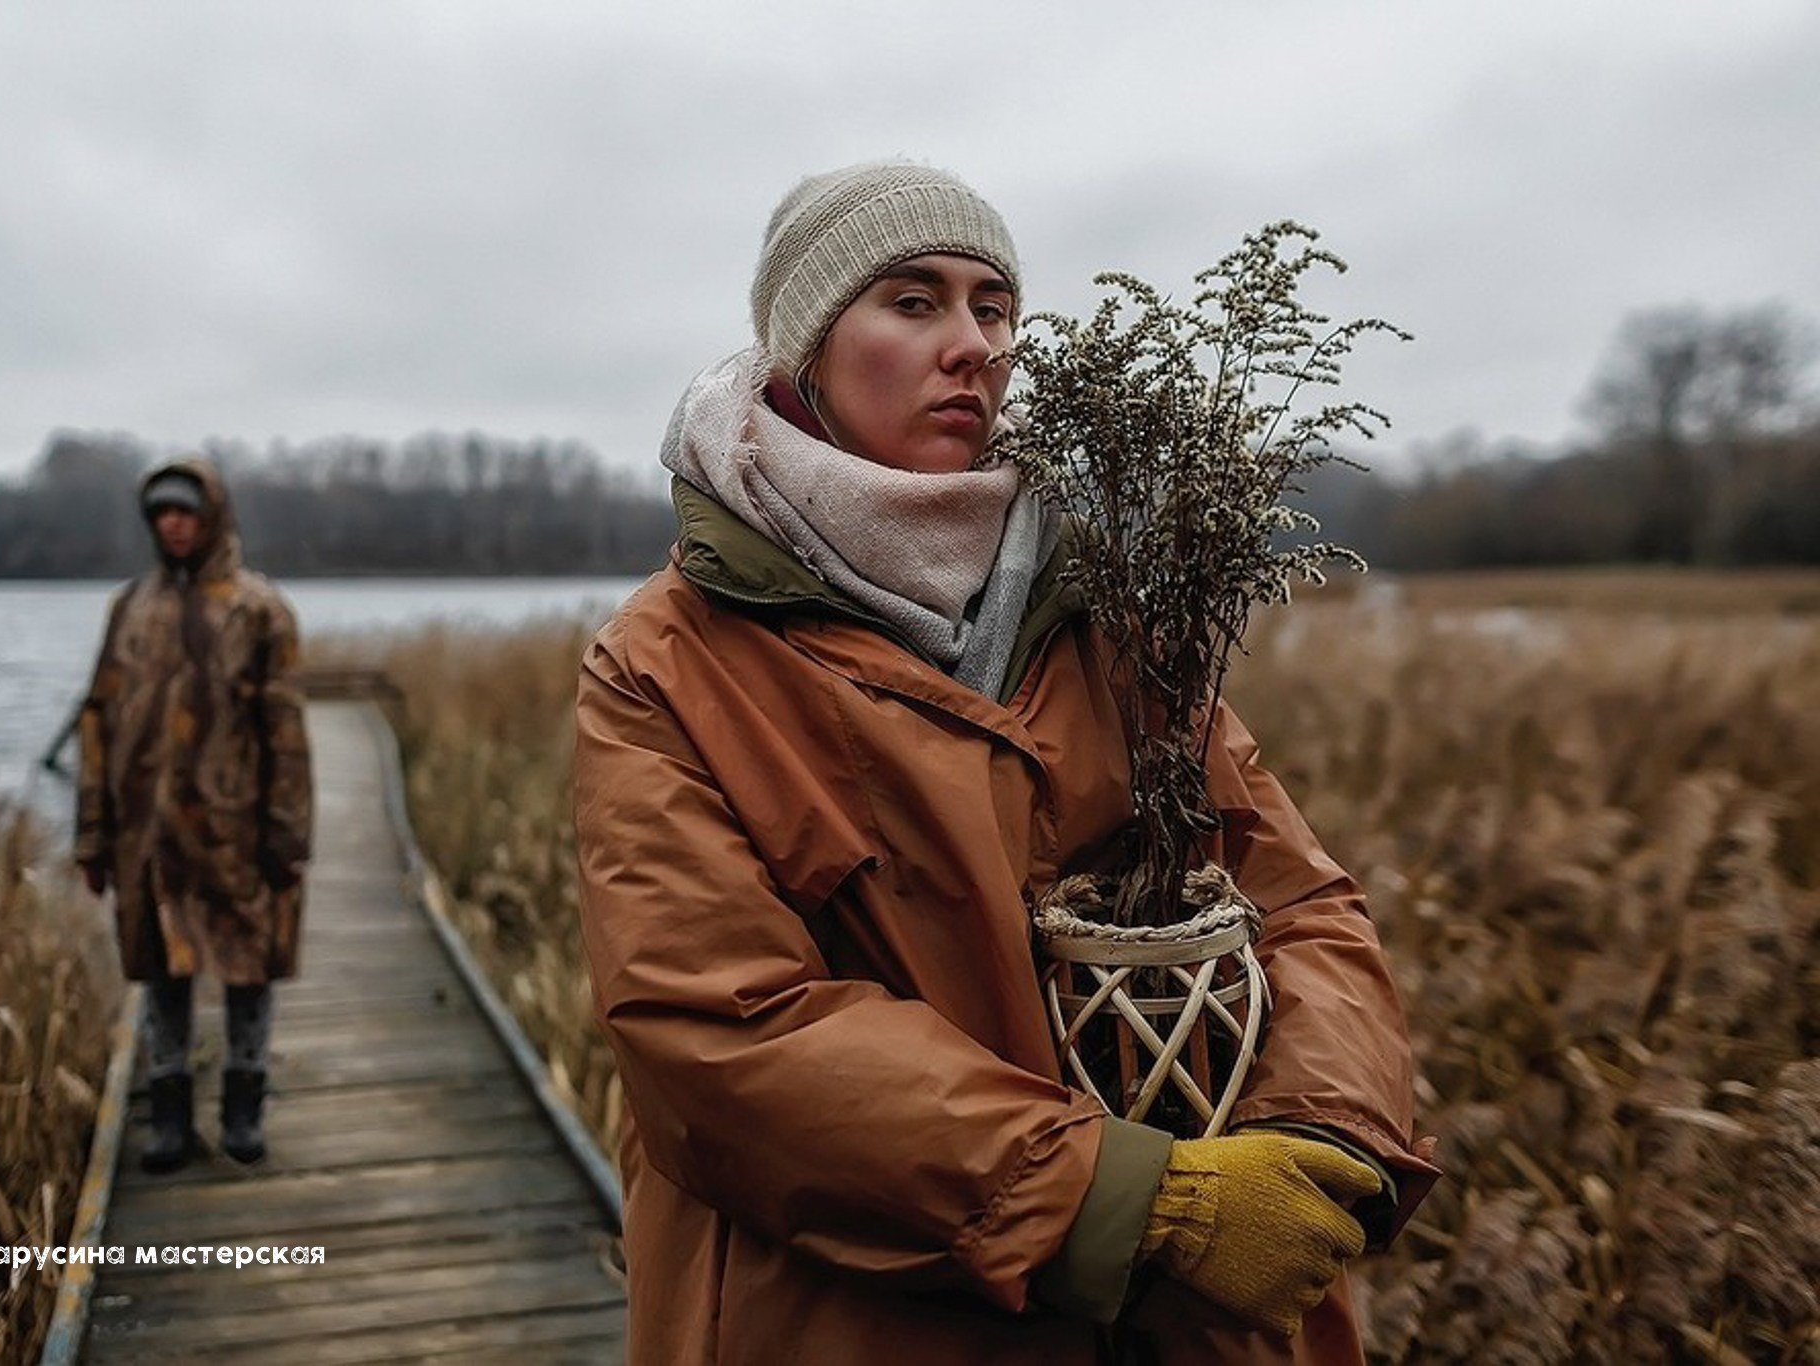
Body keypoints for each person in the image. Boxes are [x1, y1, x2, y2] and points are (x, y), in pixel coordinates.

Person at [573, 161, 1439, 1365]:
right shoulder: (670, 661)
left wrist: (1321, 1130)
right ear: (800, 351)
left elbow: (1296, 902)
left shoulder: (1117, 611)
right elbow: (713, 1027)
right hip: (854, 1321)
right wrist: (1130, 1207)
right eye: (912, 301)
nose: (971, 344)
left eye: (993, 307)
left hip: (1197, 1323)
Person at [74, 458, 311, 1173]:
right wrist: (92, 835)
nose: (173, 524)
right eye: (161, 513)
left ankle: (244, 1105)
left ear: (211, 516)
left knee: (247, 972)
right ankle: (168, 1114)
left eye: (185, 511)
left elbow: (287, 732)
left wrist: (287, 833)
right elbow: (98, 723)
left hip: (233, 831)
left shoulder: (258, 608)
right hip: (145, 836)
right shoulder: (130, 607)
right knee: (161, 976)